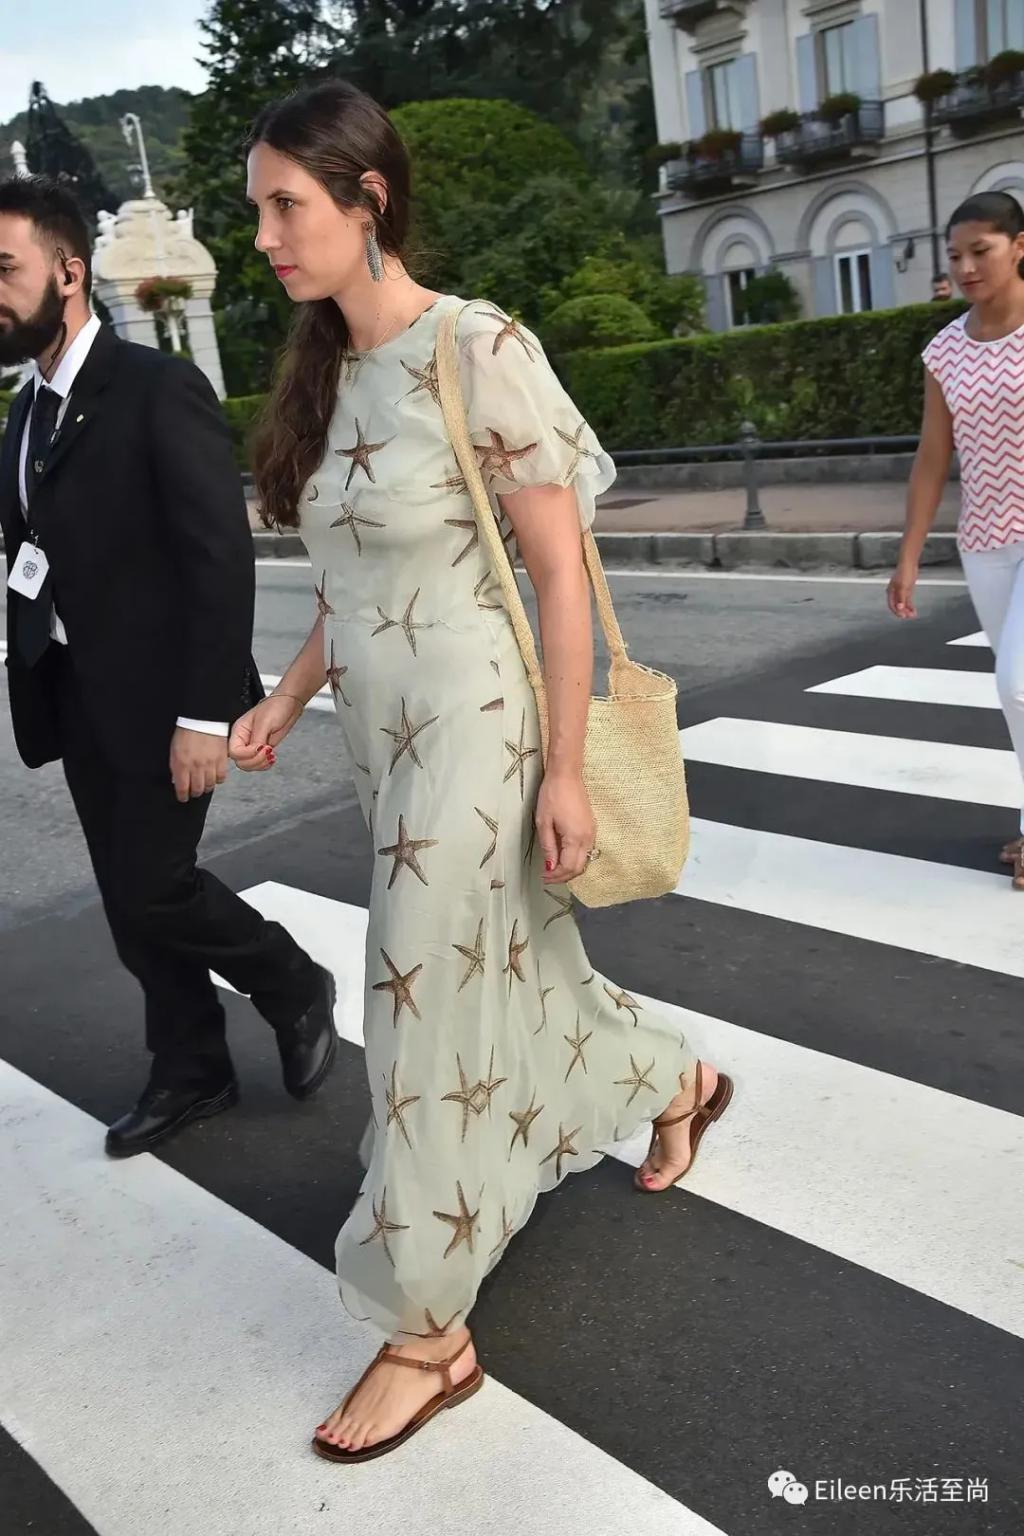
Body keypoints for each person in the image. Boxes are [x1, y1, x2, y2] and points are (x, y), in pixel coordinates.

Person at [231, 78, 734, 1464]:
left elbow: (560, 572)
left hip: (484, 729)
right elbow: (346, 583)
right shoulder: (324, 373)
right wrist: (283, 700)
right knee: (517, 977)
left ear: (367, 198)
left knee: (415, 994)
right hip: (385, 744)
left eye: (285, 205)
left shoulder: (477, 345)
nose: (263, 236)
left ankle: (423, 1331)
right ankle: (677, 1082)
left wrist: (563, 769)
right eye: (256, 209)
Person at [0, 175, 338, 1156]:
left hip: (161, 701)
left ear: (69, 272)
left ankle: (291, 981)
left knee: (155, 885)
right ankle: (190, 1067)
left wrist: (202, 716)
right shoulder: (25, 413)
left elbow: (217, 557)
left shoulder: (156, 387)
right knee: (127, 901)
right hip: (74, 694)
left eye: (3, 270)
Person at [889, 190, 1024, 892]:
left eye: (981, 251)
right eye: (955, 256)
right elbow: (933, 456)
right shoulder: (945, 350)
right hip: (985, 541)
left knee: (1019, 683)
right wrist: (909, 553)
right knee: (1017, 695)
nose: (966, 267)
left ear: (1019, 247)